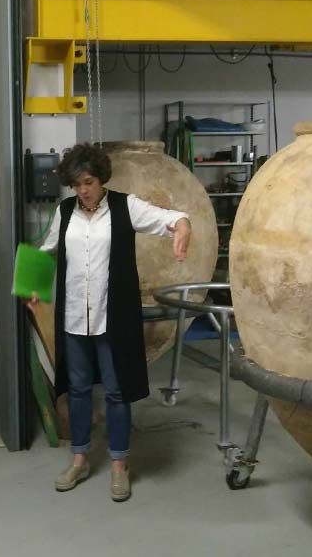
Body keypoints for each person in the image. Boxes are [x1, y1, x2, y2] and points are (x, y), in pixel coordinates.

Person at [35, 143, 192, 502]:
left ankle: (119, 463)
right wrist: (31, 287)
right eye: (77, 185)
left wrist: (182, 226)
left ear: (101, 178)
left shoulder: (125, 206)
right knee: (77, 390)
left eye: (88, 182)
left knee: (116, 390)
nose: (83, 190)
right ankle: (79, 458)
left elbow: (170, 218)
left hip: (113, 317)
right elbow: (47, 251)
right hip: (75, 317)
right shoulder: (65, 211)